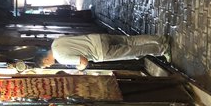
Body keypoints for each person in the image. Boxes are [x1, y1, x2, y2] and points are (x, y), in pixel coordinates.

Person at [37, 34, 171, 71]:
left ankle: (163, 49)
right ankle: (160, 38)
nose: (49, 66)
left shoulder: (61, 58)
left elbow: (83, 60)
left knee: (133, 51)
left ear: (45, 60)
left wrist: (80, 69)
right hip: (98, 38)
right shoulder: (56, 42)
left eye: (46, 65)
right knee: (130, 40)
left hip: (101, 52)